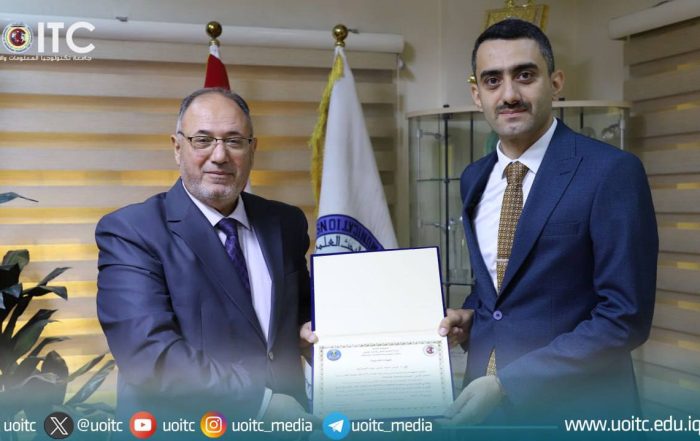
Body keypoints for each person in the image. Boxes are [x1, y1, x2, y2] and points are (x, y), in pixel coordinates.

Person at [438, 19, 658, 425]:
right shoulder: (474, 178)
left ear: (555, 83)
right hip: (481, 411)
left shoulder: (611, 172)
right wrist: (470, 316)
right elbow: (500, 287)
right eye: (492, 80)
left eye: (525, 75)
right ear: (476, 95)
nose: (509, 94)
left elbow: (624, 318)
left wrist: (509, 383)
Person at [96, 88, 316, 424]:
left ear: (253, 149)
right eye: (203, 140)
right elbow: (151, 357)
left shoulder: (285, 223)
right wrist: (261, 403)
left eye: (234, 141)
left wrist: (307, 333)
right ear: (177, 148)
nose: (220, 155)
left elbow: (298, 314)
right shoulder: (131, 231)